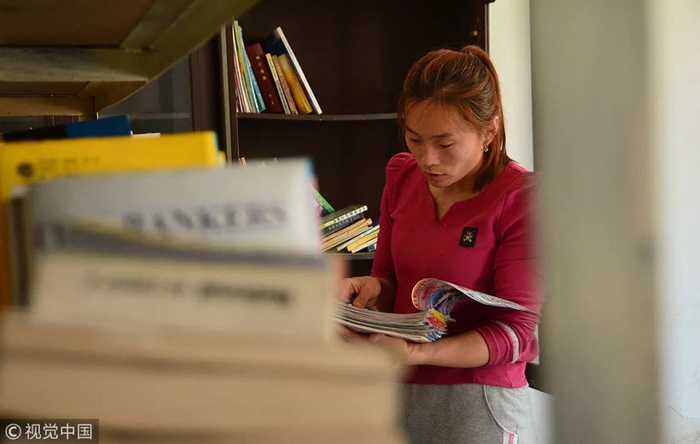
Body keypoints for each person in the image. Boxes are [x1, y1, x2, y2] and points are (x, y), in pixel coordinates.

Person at [337, 45, 543, 444]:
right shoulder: (401, 176)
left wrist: (419, 353)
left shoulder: (521, 198)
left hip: (479, 401)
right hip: (397, 389)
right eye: (414, 139)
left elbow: (516, 333)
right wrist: (371, 288)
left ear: (489, 130)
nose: (427, 159)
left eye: (445, 144)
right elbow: (389, 278)